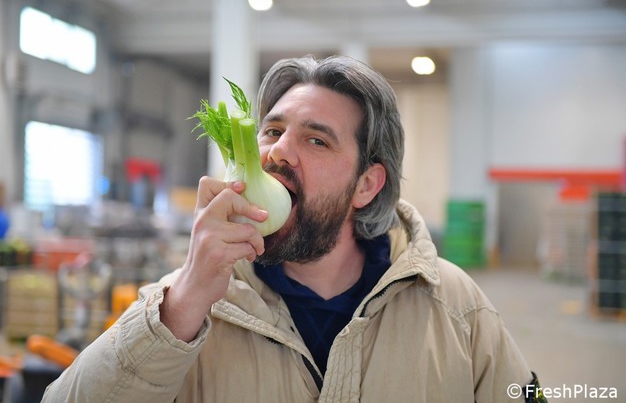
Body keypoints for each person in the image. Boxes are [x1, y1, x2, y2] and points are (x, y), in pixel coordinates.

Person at [43, 55, 546, 402]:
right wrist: (184, 301)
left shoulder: (457, 308)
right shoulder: (186, 303)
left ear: (366, 185)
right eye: (273, 131)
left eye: (317, 141)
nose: (278, 151)